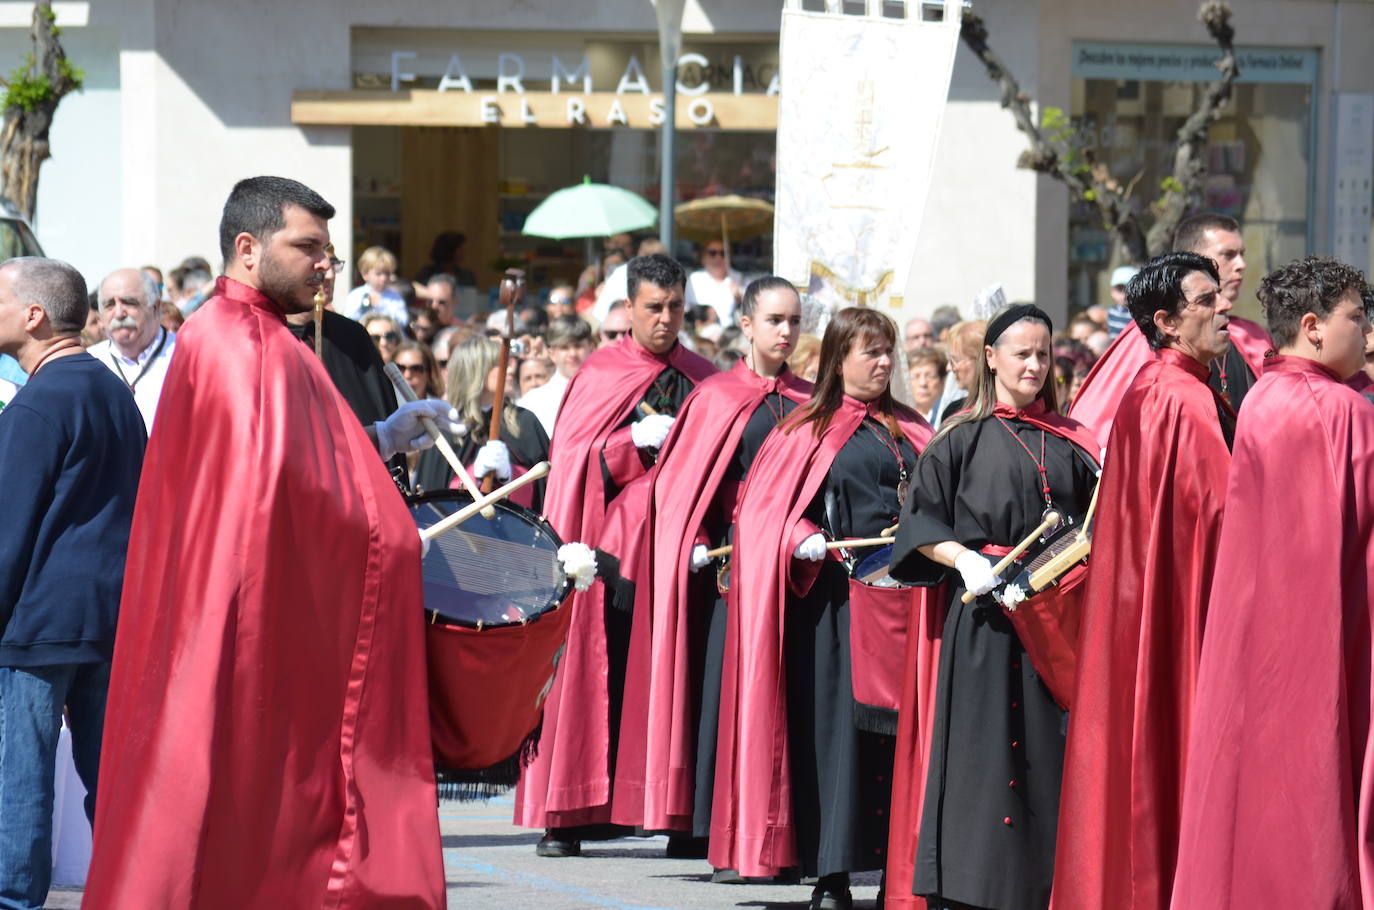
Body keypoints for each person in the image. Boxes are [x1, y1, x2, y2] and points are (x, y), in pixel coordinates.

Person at [83, 176, 462, 908]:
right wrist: (388, 536)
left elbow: (295, 464)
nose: (326, 266)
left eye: (331, 253)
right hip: (240, 616)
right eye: (309, 248)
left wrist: (382, 434)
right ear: (249, 249)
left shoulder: (257, 338)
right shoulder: (236, 342)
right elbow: (267, 496)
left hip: (250, 610)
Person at [1170, 257, 1374, 909]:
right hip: (1334, 648)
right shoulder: (1341, 410)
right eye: (1356, 317)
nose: (1367, 331)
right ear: (1313, 326)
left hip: (1261, 649)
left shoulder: (1264, 396)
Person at [718, 307, 932, 908]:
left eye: (889, 350)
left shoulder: (912, 428)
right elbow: (762, 516)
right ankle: (833, 873)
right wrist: (800, 537)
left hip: (909, 600)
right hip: (837, 606)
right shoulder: (806, 428)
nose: (884, 362)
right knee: (844, 739)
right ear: (838, 359)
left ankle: (902, 867)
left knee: (903, 739)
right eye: (871, 352)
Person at [888, 305, 1099, 910]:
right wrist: (964, 559)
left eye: (1042, 353)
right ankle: (972, 890)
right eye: (1021, 354)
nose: (1034, 365)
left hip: (1057, 620)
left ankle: (1042, 886)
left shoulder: (1073, 439)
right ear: (990, 358)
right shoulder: (958, 435)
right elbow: (920, 523)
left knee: (1048, 757)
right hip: (985, 622)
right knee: (985, 759)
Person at [1052, 253, 1236, 910]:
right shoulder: (1181, 396)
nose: (1223, 308)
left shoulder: (1154, 387)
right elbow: (1224, 520)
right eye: (1206, 300)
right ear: (1164, 320)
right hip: (1180, 606)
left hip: (1143, 602)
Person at [515, 253, 715, 857]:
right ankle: (573, 813)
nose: (666, 319)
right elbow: (572, 463)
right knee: (600, 674)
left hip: (679, 551)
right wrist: (631, 443)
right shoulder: (601, 372)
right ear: (628, 308)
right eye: (654, 307)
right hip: (607, 558)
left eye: (676, 307)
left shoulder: (702, 374)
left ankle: (676, 812)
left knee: (676, 674)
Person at [607, 277, 812, 863]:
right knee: (723, 689)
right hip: (730, 565)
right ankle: (710, 824)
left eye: (794, 320)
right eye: (774, 319)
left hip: (794, 563)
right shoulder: (717, 395)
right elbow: (681, 485)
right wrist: (695, 539)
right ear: (745, 324)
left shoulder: (810, 398)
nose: (786, 331)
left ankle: (785, 824)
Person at [0, 258, 145, 910]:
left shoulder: (38, 402)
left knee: (20, 780)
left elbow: (7, 532)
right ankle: (141, 891)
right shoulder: (114, 391)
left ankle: (15, 901)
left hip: (38, 622)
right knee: (111, 778)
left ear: (33, 315)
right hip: (114, 616)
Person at [1071, 213, 1272, 449]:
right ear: (1194, 259)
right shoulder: (1150, 335)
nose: (1241, 265)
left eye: (1242, 254)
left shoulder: (1254, 336)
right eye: (1228, 255)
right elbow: (1100, 429)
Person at [284, 246, 407, 487]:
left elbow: (381, 414)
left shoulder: (353, 337)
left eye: (334, 265)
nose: (328, 275)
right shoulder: (265, 336)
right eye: (319, 264)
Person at [413, 337, 550, 510]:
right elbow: (432, 498)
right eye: (499, 365)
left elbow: (547, 490)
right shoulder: (447, 426)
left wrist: (511, 475)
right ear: (476, 371)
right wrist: (472, 476)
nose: (509, 370)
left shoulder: (524, 421)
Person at [85, 268, 177, 432]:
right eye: (109, 305)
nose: (119, 313)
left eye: (129, 302)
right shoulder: (88, 363)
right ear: (100, 316)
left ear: (156, 307)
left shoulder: (186, 355)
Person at [518, 314, 593, 439]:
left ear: (591, 347)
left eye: (578, 346)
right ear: (552, 353)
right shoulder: (532, 403)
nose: (572, 354)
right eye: (564, 347)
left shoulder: (608, 393)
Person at [342, 245, 408, 327]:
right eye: (378, 274)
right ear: (365, 274)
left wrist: (382, 309)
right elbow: (348, 318)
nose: (383, 278)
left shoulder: (394, 297)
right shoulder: (356, 295)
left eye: (387, 273)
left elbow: (403, 321)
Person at [937, 319, 987, 423]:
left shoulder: (1008, 411)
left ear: (980, 361)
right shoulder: (953, 412)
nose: (949, 368)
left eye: (955, 360)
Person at [686, 239, 744, 326]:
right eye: (712, 253)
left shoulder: (739, 279)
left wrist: (740, 299)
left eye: (723, 253)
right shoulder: (694, 280)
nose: (718, 257)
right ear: (703, 258)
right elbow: (686, 308)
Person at [908, 346, 948, 426]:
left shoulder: (950, 418)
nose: (923, 383)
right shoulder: (900, 419)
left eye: (930, 376)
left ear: (942, 381)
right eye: (915, 376)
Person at [1104, 265, 1138, 338]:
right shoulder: (1111, 312)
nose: (1124, 294)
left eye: (1130, 289)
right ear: (1112, 291)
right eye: (1120, 289)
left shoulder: (1138, 314)